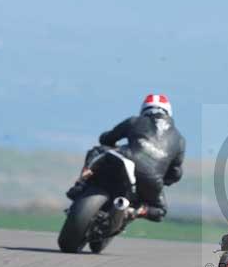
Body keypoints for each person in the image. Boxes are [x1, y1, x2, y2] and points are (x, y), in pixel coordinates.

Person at [66, 94, 185, 222]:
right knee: (160, 210)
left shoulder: (134, 121)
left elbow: (106, 139)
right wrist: (162, 180)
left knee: (96, 151)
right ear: (169, 112)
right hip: (152, 179)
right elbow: (176, 173)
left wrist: (112, 145)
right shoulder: (179, 140)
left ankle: (81, 183)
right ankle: (136, 211)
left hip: (125, 159)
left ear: (143, 109)